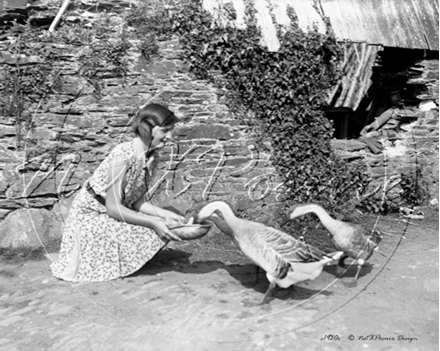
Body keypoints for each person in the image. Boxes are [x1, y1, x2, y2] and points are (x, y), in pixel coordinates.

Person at [51, 103, 185, 282]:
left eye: (171, 130)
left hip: (111, 212)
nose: (170, 136)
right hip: (91, 217)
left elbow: (136, 202)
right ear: (147, 129)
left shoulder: (152, 157)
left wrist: (165, 213)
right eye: (165, 131)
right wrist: (153, 222)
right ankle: (101, 258)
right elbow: (113, 208)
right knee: (155, 225)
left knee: (166, 223)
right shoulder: (122, 155)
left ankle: (117, 257)